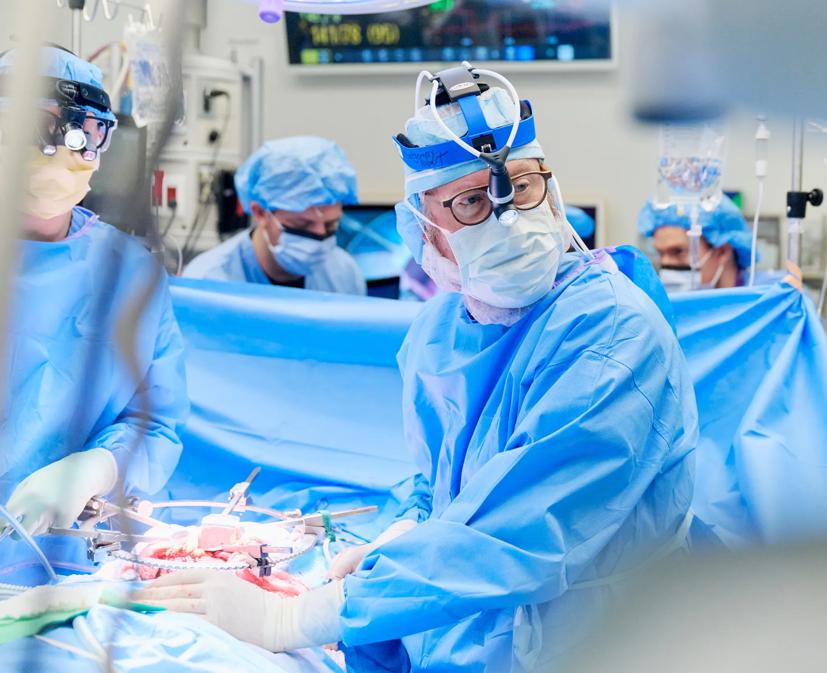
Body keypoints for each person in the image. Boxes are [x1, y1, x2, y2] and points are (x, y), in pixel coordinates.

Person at [137, 64, 698, 672]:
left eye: (524, 185)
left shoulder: (611, 333)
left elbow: (522, 531)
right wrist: (402, 531)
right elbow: (443, 486)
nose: (508, 216)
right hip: (473, 632)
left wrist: (295, 617)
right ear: (422, 228)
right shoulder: (442, 334)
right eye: (471, 201)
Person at [0, 47, 188, 581]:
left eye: (85, 135)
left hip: (77, 558)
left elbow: (155, 422)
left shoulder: (128, 272)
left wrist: (96, 468)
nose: (65, 154)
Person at [184, 136, 366, 294]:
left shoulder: (344, 274)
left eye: (330, 225)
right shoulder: (208, 283)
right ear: (260, 212)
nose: (319, 236)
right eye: (301, 225)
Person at [638, 194, 755, 294]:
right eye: (661, 254)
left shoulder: (761, 306)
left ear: (722, 252)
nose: (666, 263)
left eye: (678, 251)